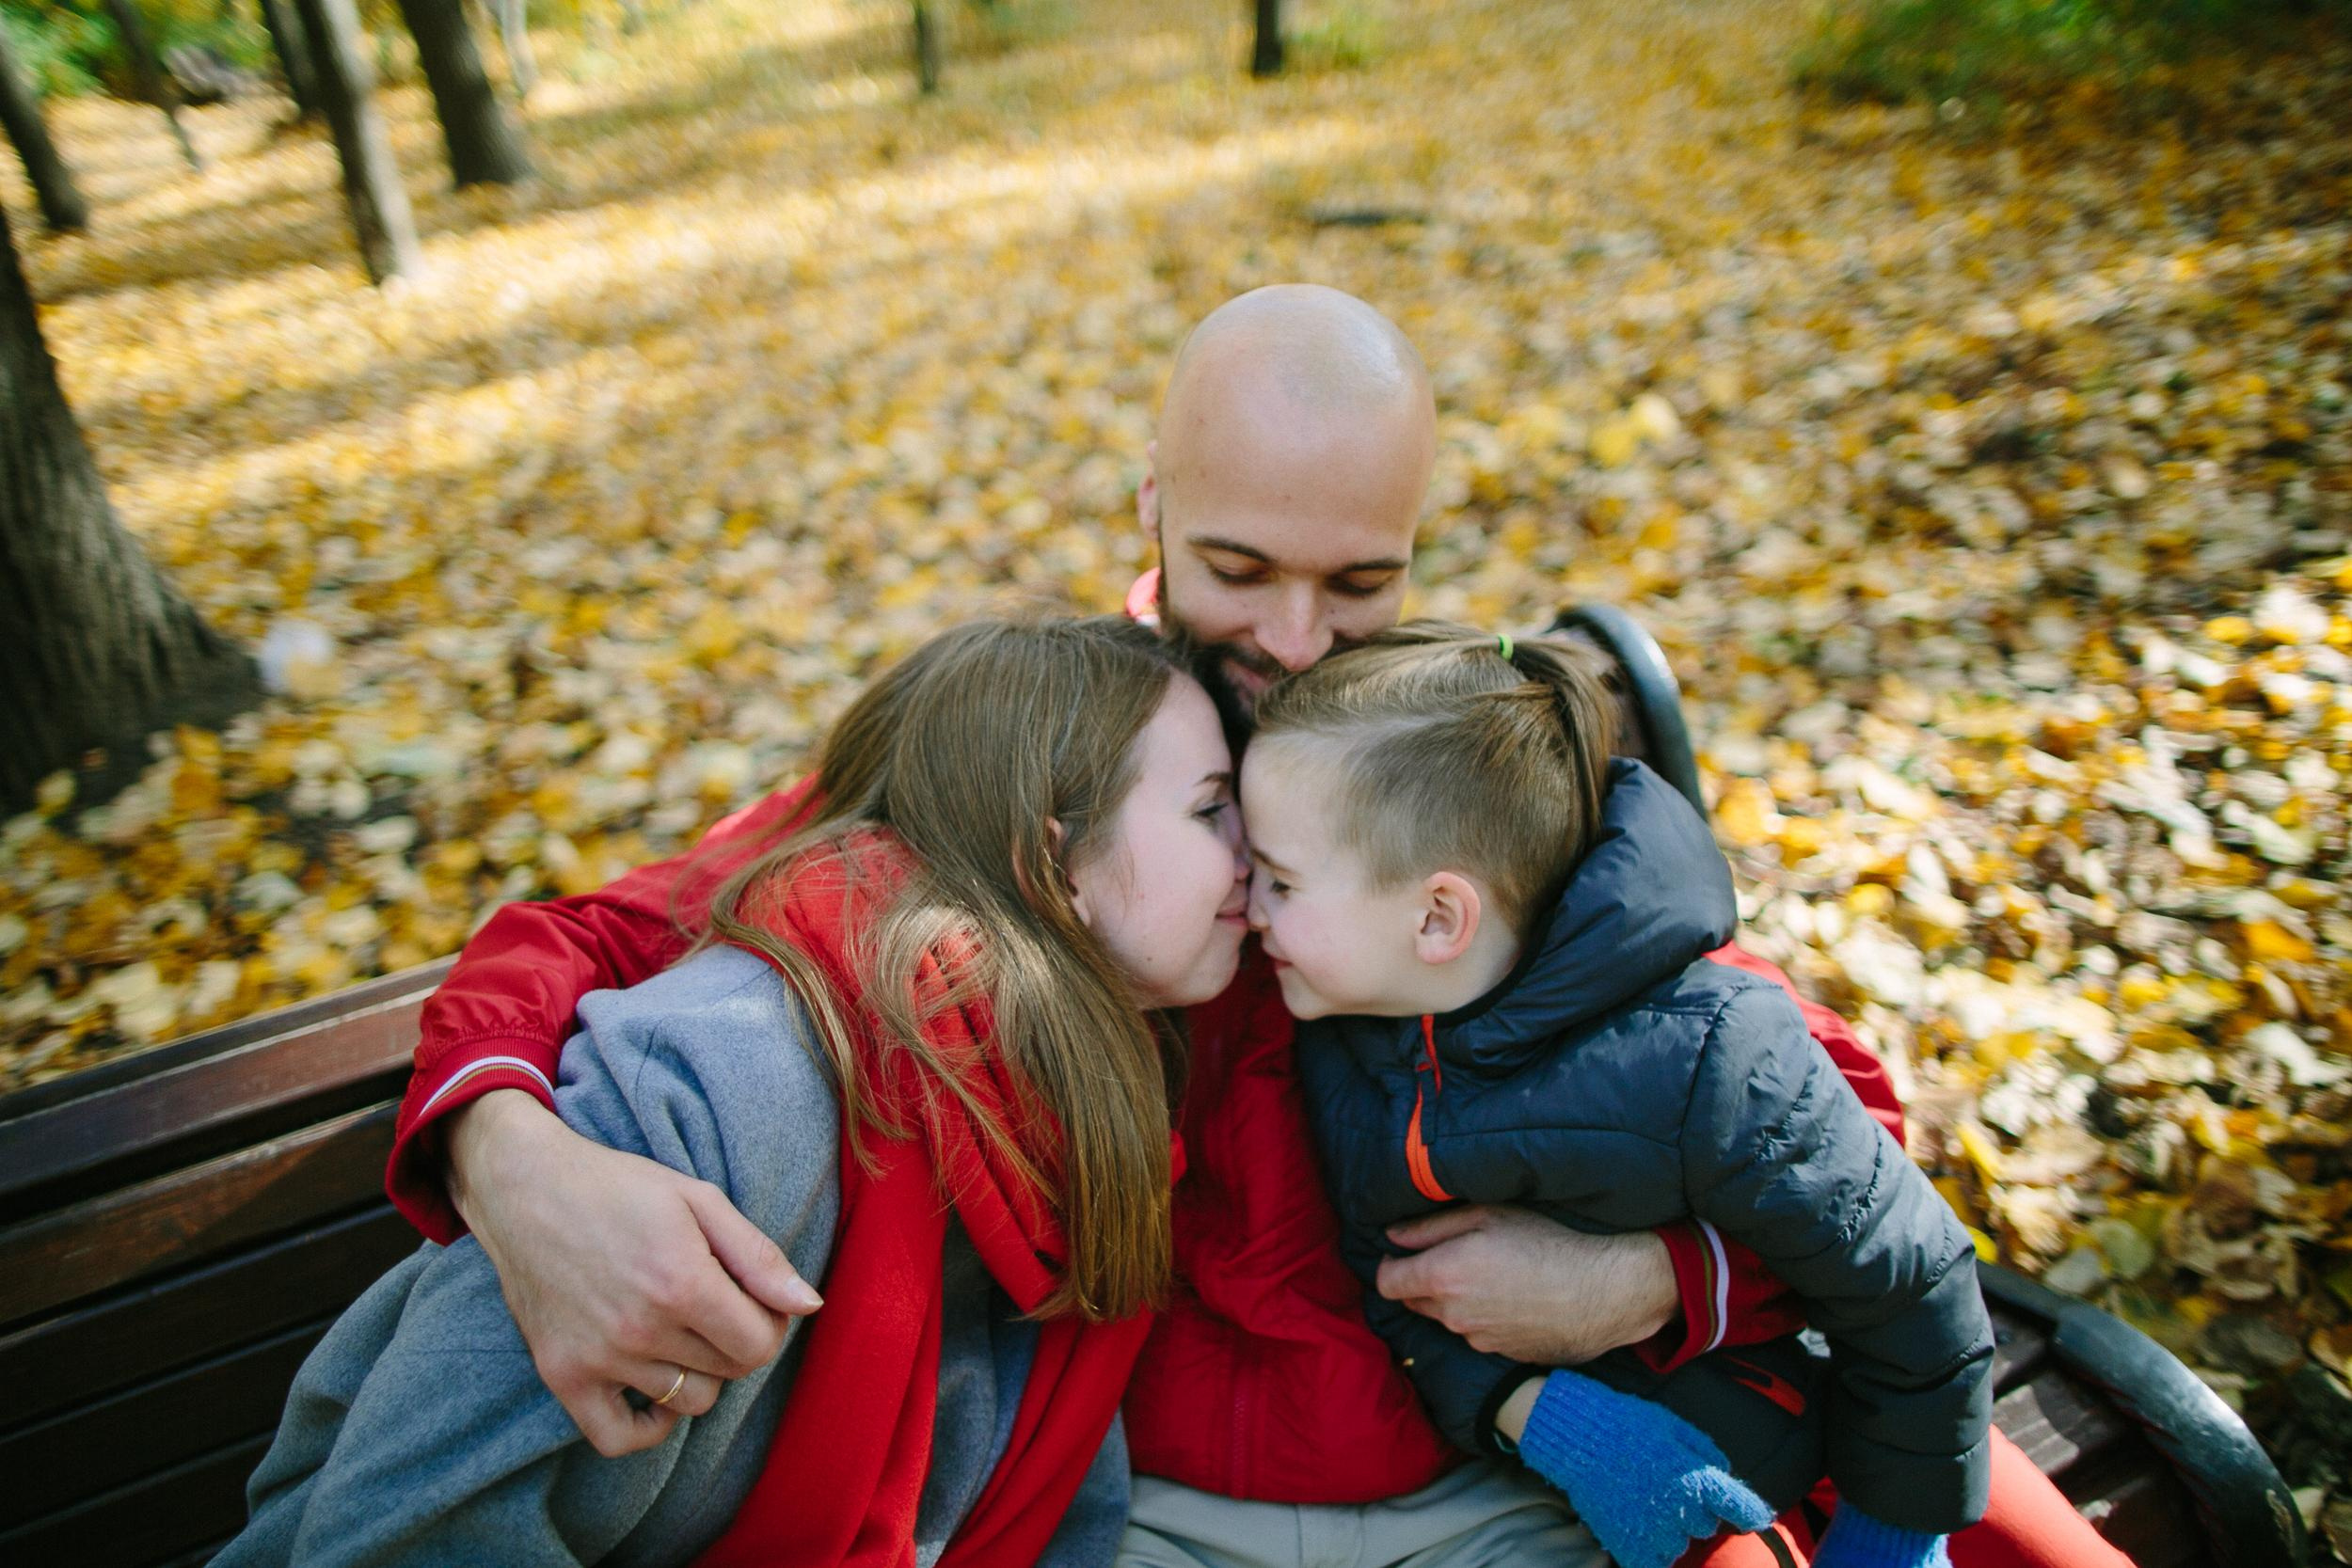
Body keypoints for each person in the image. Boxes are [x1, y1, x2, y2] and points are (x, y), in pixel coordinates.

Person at [386, 285, 2133, 1568]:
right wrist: (511, 1161)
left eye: (1359, 583)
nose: (1298, 637)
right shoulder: (1059, 765)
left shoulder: (1438, 767)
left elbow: (1800, 1098)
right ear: (1150, 515)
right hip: (1144, 1502)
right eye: (1240, 570)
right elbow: (598, 936)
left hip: (1507, 1468)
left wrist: (1649, 1277)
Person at [216, 617, 1258, 1565]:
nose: (1254, 853)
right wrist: (496, 1136)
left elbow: (1055, 1502)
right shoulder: (724, 1074)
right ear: (1050, 856)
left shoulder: (1088, 1090)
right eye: (1212, 810)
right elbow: (395, 1531)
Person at [1247, 624, 2000, 1568]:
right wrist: (1548, 1416)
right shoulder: (1349, 1049)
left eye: (1278, 879)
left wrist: (1892, 1535)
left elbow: (1911, 1277)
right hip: (1667, 1478)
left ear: (1437, 916)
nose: (1250, 904)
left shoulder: (1703, 1051)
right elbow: (1392, 1286)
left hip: (1859, 1427)